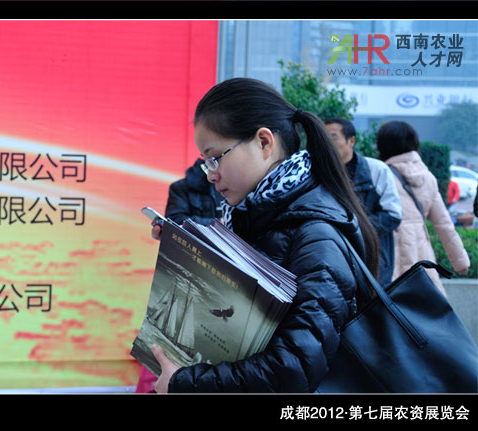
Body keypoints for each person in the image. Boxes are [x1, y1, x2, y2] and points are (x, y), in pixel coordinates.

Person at [151, 77, 379, 393]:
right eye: (206, 163)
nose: (211, 175)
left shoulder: (317, 237)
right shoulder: (256, 217)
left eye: (215, 157)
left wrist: (184, 384)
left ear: (264, 142)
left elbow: (291, 370)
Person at [137, 158, 224, 393]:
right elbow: (176, 223)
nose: (216, 175)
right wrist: (221, 225)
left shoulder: (243, 185)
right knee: (163, 349)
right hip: (188, 278)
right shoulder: (182, 188)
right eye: (211, 156)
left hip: (225, 287)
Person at [376, 121, 469, 295]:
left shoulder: (380, 175)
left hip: (390, 257)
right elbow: (444, 224)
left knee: (391, 307)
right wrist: (461, 262)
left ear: (382, 145)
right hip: (421, 256)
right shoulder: (428, 177)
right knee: (425, 306)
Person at [324, 118, 402, 287]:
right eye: (324, 137)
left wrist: (353, 227)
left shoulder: (376, 170)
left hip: (372, 262)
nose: (327, 143)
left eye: (333, 137)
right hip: (332, 261)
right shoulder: (319, 173)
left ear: (351, 141)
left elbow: (393, 216)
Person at [150, 158, 224, 241]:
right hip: (191, 244)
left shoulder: (231, 185)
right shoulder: (181, 187)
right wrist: (217, 224)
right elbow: (175, 220)